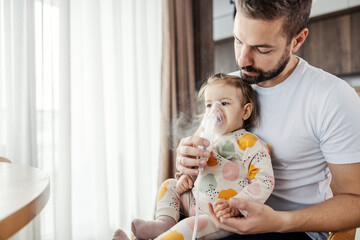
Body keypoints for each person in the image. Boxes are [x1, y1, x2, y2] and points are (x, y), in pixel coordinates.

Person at [176, 1, 360, 240]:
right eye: (238, 40)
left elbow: (356, 201)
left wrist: (280, 221)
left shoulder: (331, 97)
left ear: (297, 40)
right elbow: (205, 150)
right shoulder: (227, 89)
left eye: (262, 49)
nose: (243, 60)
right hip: (219, 217)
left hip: (291, 228)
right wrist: (188, 160)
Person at [113, 73, 274, 240]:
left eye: (224, 103)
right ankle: (164, 223)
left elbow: (264, 181)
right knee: (169, 185)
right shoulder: (206, 139)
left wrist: (237, 206)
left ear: (245, 111)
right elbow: (197, 167)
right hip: (194, 202)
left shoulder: (249, 143)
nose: (214, 111)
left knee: (186, 227)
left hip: (219, 216)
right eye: (209, 105)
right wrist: (186, 178)